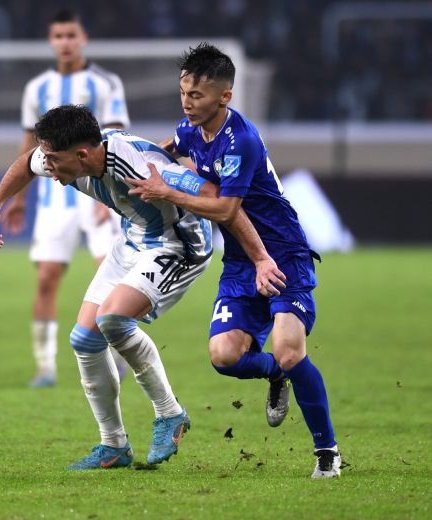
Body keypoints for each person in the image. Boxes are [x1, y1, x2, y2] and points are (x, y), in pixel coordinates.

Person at [0, 105, 281, 470]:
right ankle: (114, 445)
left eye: (55, 161)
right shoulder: (63, 157)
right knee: (84, 340)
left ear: (83, 154)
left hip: (178, 245)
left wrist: (261, 258)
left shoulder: (140, 166)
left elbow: (219, 199)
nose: (50, 168)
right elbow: (27, 161)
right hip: (134, 239)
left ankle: (170, 413)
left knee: (113, 319)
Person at [126, 42, 341, 478]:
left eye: (197, 95)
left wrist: (167, 192)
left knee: (288, 350)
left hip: (283, 254)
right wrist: (142, 162)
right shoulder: (191, 129)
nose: (187, 102)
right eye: (184, 92)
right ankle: (275, 376)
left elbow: (227, 210)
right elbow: (171, 147)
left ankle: (327, 451)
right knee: (224, 356)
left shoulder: (239, 140)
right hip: (242, 264)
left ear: (224, 96)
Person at [1, 9, 130, 388]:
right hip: (54, 199)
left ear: (83, 37)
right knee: (46, 279)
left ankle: (122, 358)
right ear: (51, 40)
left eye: (71, 35)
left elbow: (117, 137)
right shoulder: (36, 88)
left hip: (100, 195)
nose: (65, 42)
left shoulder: (106, 83)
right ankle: (45, 367)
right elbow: (29, 146)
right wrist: (19, 199)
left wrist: (109, 195)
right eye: (58, 36)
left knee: (111, 277)